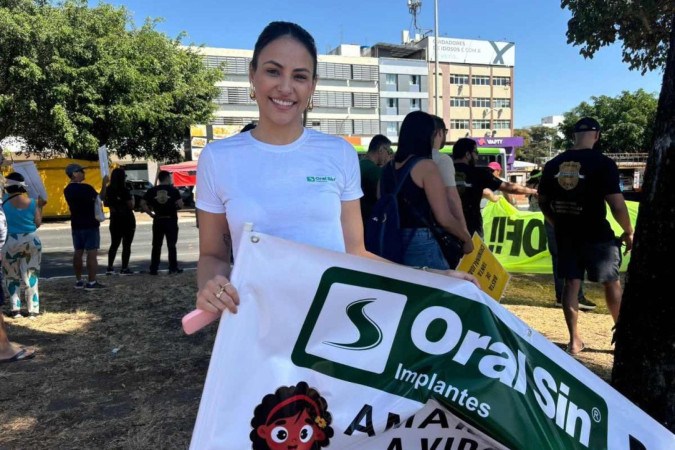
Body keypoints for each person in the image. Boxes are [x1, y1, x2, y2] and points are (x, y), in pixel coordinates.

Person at [194, 21, 477, 316]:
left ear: (312, 85)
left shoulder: (339, 153)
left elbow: (355, 253)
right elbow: (213, 255)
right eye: (273, 71)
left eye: (299, 76)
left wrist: (430, 276)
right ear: (253, 74)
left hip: (332, 325)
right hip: (255, 324)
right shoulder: (218, 158)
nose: (286, 87)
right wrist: (211, 284)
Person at [538, 117, 633, 355]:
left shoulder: (553, 164)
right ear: (597, 135)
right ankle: (620, 335)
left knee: (572, 283)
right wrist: (629, 231)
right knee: (611, 281)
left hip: (566, 233)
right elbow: (617, 205)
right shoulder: (603, 163)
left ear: (573, 136)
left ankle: (574, 341)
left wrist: (556, 221)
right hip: (596, 233)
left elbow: (542, 201)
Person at [380, 111, 473, 270]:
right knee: (440, 291)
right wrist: (466, 238)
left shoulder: (386, 168)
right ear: (429, 135)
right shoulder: (426, 166)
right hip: (419, 241)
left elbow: (381, 203)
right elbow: (443, 217)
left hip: (389, 239)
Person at [526, 170, 594, 310]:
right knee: (574, 259)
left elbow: (542, 200)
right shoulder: (571, 175)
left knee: (559, 260)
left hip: (554, 220)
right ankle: (576, 297)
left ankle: (563, 297)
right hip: (565, 221)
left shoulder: (550, 174)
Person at [453, 138, 537, 238]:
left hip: (447, 228)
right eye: (476, 152)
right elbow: (510, 188)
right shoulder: (478, 173)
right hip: (471, 229)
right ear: (467, 154)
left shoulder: (440, 172)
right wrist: (533, 191)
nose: (477, 157)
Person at [2, 173, 46, 318]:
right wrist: (41, 207)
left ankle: (15, 310)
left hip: (10, 241)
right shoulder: (33, 202)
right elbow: (37, 223)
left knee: (11, 275)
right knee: (31, 275)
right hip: (31, 240)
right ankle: (33, 310)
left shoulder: (2, 202)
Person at [430, 115, 471, 268]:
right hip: (435, 235)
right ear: (439, 132)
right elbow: (452, 198)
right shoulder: (442, 160)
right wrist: (465, 235)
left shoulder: (396, 161)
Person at [64, 163, 108, 291]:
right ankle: (92, 282)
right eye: (81, 171)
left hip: (76, 224)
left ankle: (78, 280)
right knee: (92, 253)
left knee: (78, 252)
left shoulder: (67, 190)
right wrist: (104, 183)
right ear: (74, 174)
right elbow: (101, 198)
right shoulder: (86, 188)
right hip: (90, 224)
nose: (84, 173)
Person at [141, 170, 183, 275]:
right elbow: (180, 204)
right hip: (171, 220)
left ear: (159, 179)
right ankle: (173, 268)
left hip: (158, 219)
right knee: (171, 245)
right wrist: (175, 207)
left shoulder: (152, 190)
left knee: (156, 245)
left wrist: (150, 214)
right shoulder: (173, 190)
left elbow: (142, 203)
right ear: (167, 178)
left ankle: (154, 268)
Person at [104, 167, 136, 275]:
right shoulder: (125, 190)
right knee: (126, 245)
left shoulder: (109, 189)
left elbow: (106, 203)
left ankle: (110, 267)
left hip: (115, 219)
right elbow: (131, 205)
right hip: (127, 219)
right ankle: (124, 268)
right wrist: (132, 197)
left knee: (114, 244)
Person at [359, 134, 391, 227]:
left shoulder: (359, 164)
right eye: (388, 151)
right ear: (381, 149)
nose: (388, 155)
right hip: (371, 219)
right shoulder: (374, 171)